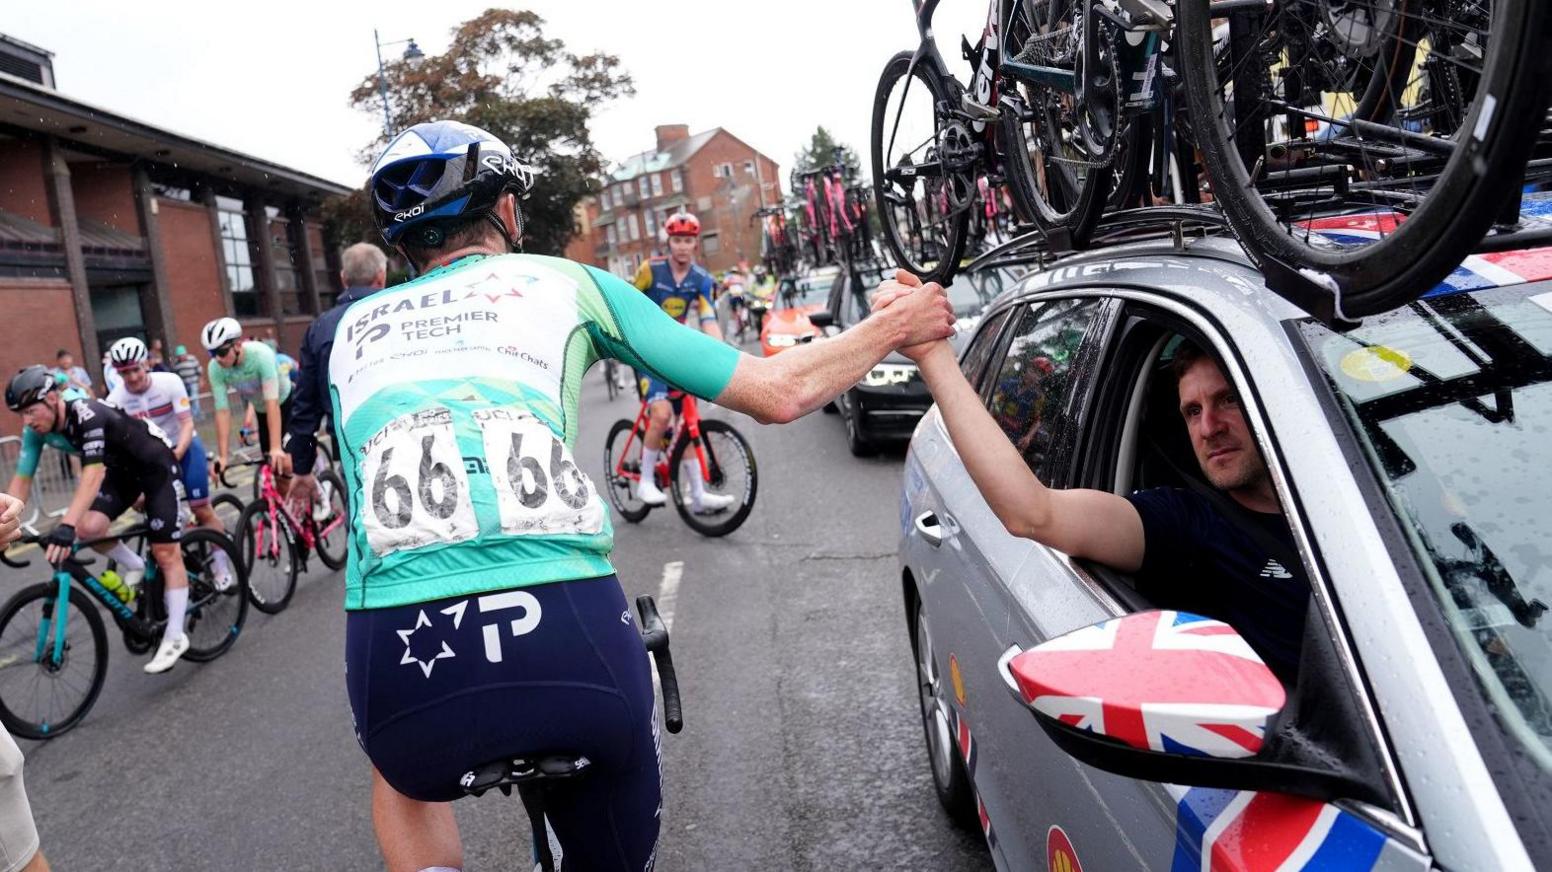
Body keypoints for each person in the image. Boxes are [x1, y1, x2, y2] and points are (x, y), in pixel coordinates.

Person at [335, 119, 953, 872]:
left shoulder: (349, 330)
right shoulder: (566, 282)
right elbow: (780, 391)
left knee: (403, 780)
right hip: (562, 629)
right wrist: (895, 325)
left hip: (403, 652)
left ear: (403, 243)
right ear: (507, 210)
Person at [890, 285, 1310, 682]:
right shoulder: (1188, 521)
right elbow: (1034, 513)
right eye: (1191, 412)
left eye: (1228, 401)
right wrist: (933, 358)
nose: (1209, 427)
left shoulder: (1348, 501)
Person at [5, 365, 194, 673]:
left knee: (165, 552)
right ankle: (137, 569)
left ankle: (175, 636)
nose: (27, 421)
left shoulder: (86, 414)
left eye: (31, 411)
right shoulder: (36, 432)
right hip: (122, 473)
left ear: (53, 399)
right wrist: (5, 526)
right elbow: (21, 481)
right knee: (89, 528)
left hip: (154, 466)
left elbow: (92, 475)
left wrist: (64, 526)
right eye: (21, 414)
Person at [104, 337, 236, 589]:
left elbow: (187, 424)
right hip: (150, 459)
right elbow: (122, 450)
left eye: (135, 369)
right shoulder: (116, 399)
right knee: (164, 513)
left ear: (146, 364)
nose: (131, 377)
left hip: (183, 448)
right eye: (124, 373)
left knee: (201, 508)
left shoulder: (170, 383)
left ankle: (221, 564)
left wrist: (173, 455)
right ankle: (187, 555)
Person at [284, 241, 392, 520]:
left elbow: (305, 405)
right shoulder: (401, 312)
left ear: (343, 279)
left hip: (353, 447)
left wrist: (302, 467)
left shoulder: (320, 328)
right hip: (409, 431)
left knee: (366, 525)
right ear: (381, 276)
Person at [629, 211, 726, 510]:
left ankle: (697, 496)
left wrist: (720, 352)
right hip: (647, 354)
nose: (682, 246)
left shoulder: (702, 279)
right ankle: (645, 481)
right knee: (661, 416)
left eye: (688, 240)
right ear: (668, 242)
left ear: (695, 243)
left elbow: (708, 317)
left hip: (677, 355)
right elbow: (626, 304)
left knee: (684, 425)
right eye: (677, 240)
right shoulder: (649, 270)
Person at [201, 317, 293, 493]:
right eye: (211, 354)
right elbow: (222, 411)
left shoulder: (261, 356)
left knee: (285, 461)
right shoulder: (215, 368)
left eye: (221, 352)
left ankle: (311, 491)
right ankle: (287, 511)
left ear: (237, 345)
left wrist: (276, 447)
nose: (217, 359)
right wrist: (223, 455)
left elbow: (272, 403)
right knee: (274, 468)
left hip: (284, 402)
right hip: (261, 410)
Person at [169, 345, 203, 419]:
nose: (181, 357)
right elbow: (175, 374)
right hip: (184, 384)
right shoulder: (176, 363)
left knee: (195, 398)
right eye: (179, 356)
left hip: (193, 382)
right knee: (188, 400)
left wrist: (201, 380)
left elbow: (199, 370)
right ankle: (198, 415)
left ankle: (194, 416)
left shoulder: (192, 359)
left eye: (182, 355)